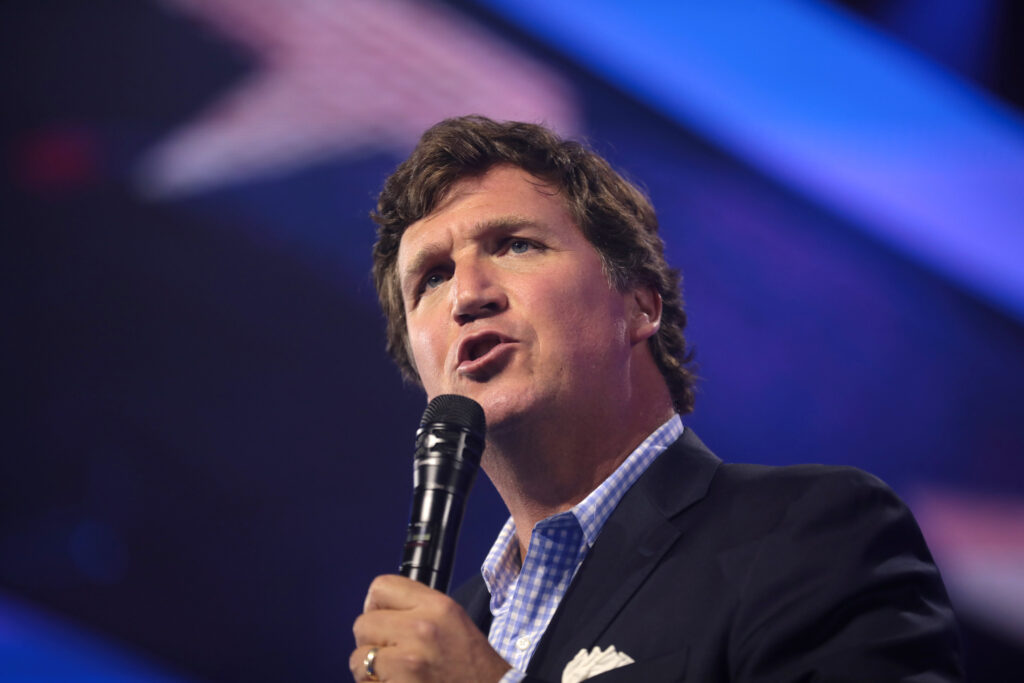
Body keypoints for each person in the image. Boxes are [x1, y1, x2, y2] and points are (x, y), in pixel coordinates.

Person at [350, 116, 962, 682]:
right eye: (432, 277)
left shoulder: (812, 533)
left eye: (515, 245)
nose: (467, 296)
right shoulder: (443, 634)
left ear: (639, 303)